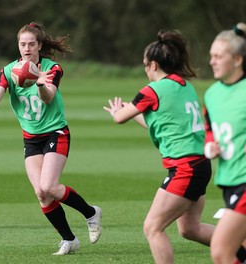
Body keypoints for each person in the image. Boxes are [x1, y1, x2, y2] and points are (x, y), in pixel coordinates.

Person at [0, 22, 102, 255]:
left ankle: (90, 213)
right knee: (42, 193)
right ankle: (69, 239)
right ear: (18, 45)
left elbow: (48, 98)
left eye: (31, 44)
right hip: (31, 139)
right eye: (22, 44)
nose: (26, 48)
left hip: (56, 132)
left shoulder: (52, 68)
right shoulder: (9, 70)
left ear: (40, 45)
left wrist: (39, 83)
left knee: (49, 186)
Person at [103, 30, 216, 264]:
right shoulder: (184, 86)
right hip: (200, 165)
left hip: (184, 167)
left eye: (145, 64)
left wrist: (117, 110)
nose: (144, 69)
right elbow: (160, 124)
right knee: (190, 229)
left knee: (152, 227)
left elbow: (120, 117)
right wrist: (130, 111)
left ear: (153, 64)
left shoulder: (152, 90)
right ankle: (240, 248)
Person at [204, 22, 246, 264]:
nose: (212, 61)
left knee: (221, 251)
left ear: (238, 60)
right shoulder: (212, 94)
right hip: (229, 181)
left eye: (219, 56)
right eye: (211, 55)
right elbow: (211, 128)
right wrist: (210, 146)